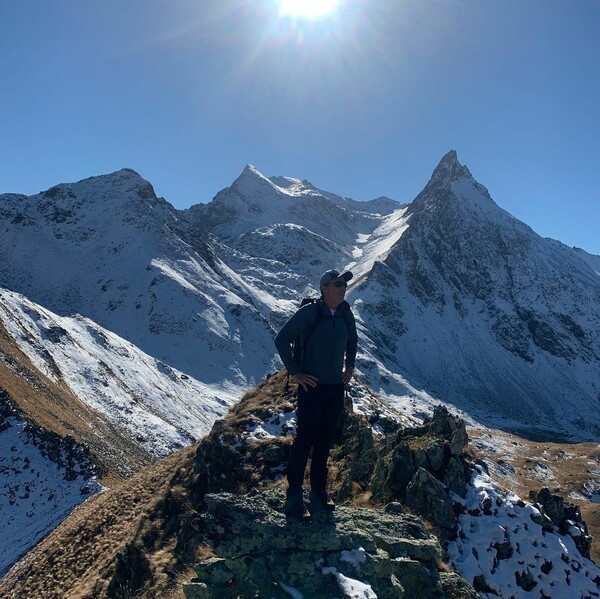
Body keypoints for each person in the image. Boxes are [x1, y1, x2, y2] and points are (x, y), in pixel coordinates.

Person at [274, 269, 358, 517]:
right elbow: (282, 339)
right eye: (338, 284)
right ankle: (294, 495)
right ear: (324, 289)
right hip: (311, 387)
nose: (343, 287)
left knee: (325, 441)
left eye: (344, 284)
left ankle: (319, 492)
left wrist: (350, 366)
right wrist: (295, 372)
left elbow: (352, 340)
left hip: (335, 388)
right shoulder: (310, 313)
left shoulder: (345, 313)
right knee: (305, 439)